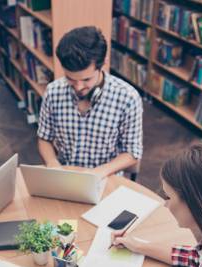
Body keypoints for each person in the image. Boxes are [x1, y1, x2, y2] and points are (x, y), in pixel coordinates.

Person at [37, 26, 143, 177]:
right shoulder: (53, 91)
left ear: (103, 63)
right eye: (70, 79)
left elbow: (133, 153)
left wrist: (98, 173)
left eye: (86, 79)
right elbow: (44, 138)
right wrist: (52, 163)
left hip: (105, 178)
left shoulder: (128, 98)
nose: (79, 87)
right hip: (64, 177)